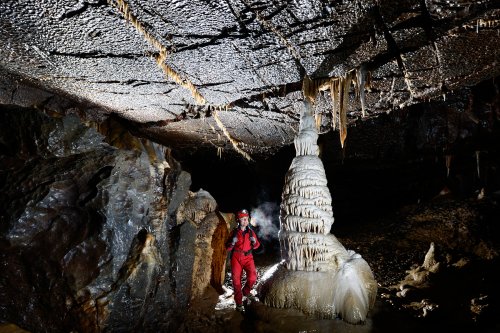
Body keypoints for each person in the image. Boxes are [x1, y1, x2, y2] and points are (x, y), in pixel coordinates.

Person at [226, 209, 261, 312]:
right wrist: (232, 243)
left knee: (253, 277)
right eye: (242, 219)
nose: (245, 221)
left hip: (248, 257)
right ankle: (239, 302)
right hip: (236, 257)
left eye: (246, 219)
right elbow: (227, 248)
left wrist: (254, 243)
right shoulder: (234, 233)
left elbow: (257, 246)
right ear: (238, 221)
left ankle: (246, 291)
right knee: (236, 281)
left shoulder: (251, 233)